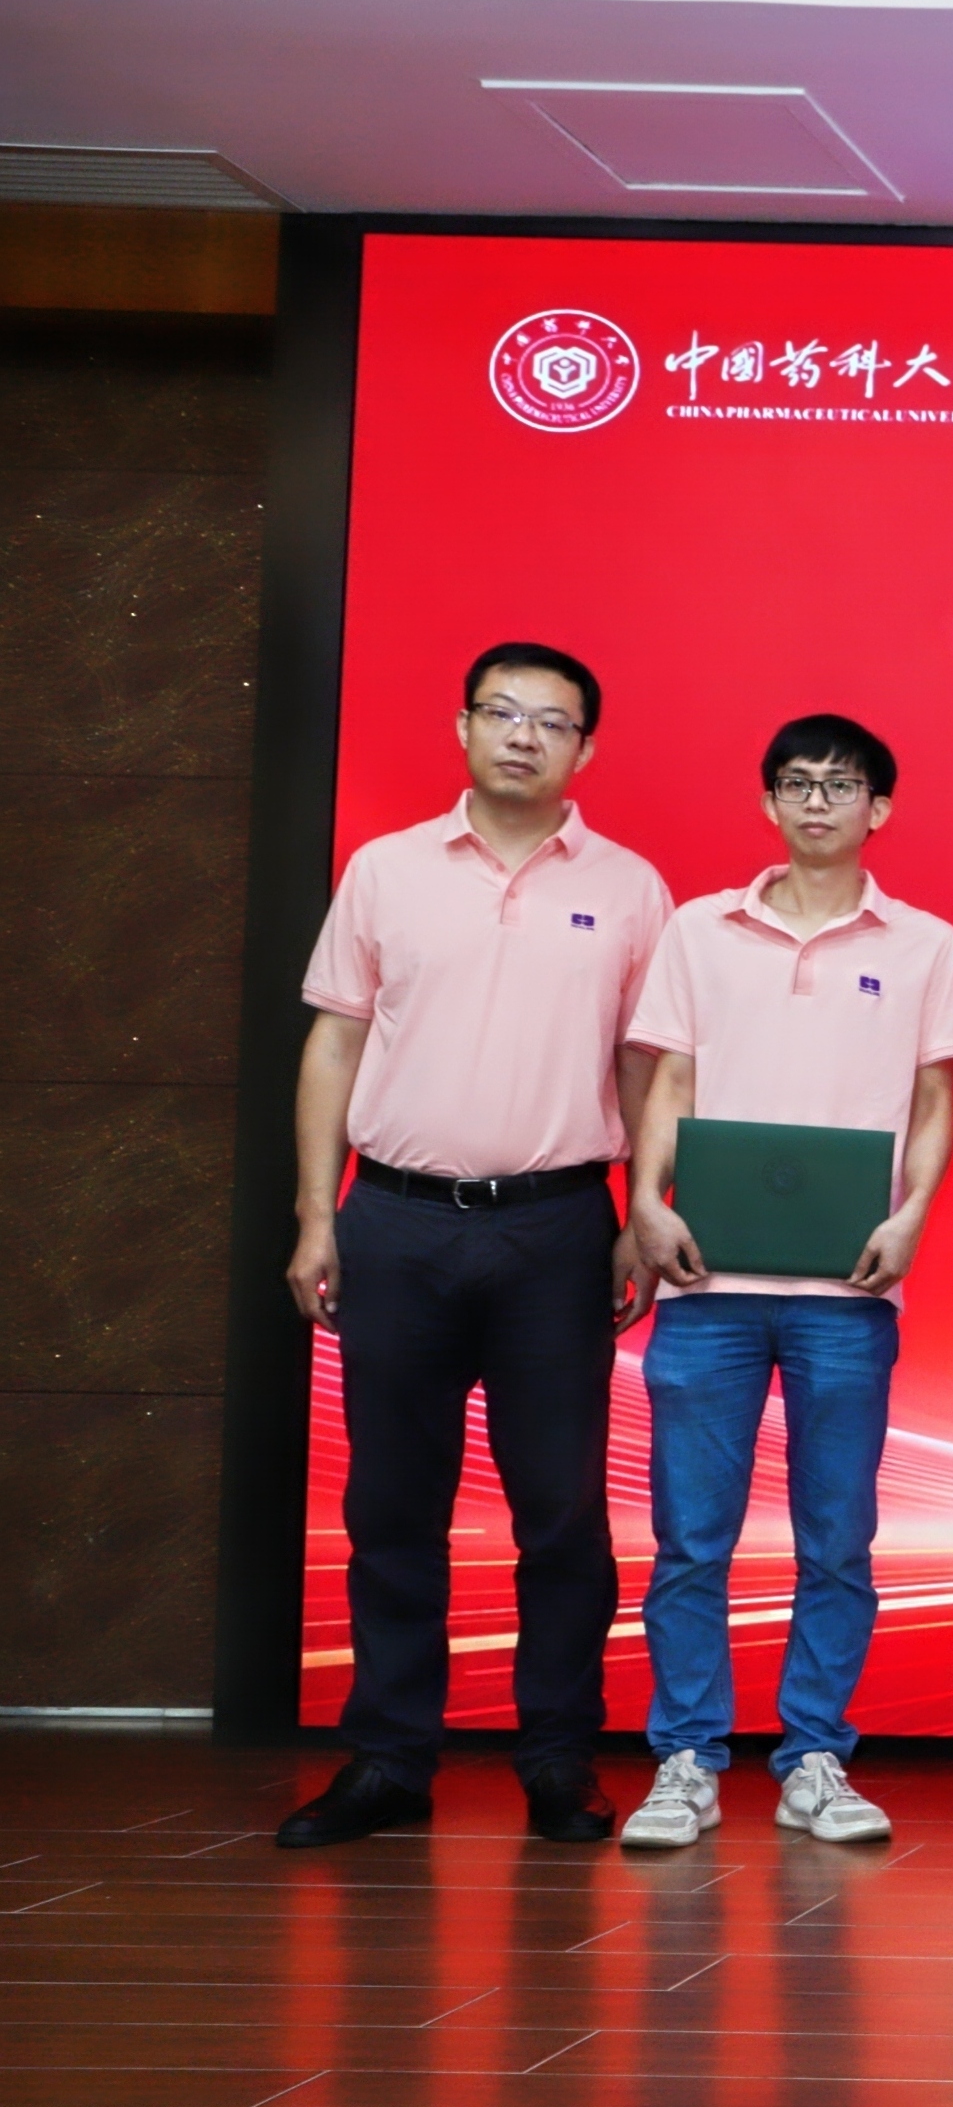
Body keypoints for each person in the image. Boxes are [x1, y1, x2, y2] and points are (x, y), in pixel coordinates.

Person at [277, 643, 672, 1848]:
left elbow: (648, 1068)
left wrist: (642, 1212)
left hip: (558, 1226)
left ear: (586, 747)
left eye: (551, 720)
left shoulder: (631, 886)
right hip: (395, 1220)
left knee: (562, 1510)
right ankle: (390, 1757)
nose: (522, 735)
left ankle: (557, 1755)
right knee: (392, 1502)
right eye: (501, 711)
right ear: (462, 726)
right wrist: (317, 1212)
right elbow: (335, 1043)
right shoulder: (387, 869)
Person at [617, 715, 953, 1851]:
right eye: (797, 782)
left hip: (846, 1291)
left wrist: (912, 1216)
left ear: (881, 808)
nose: (818, 800)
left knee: (836, 1539)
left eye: (842, 784)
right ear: (768, 800)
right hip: (706, 1281)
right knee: (691, 1537)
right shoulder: (700, 930)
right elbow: (671, 1079)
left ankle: (815, 1755)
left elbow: (934, 1100)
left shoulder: (924, 944)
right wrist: (647, 1201)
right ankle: (685, 1758)